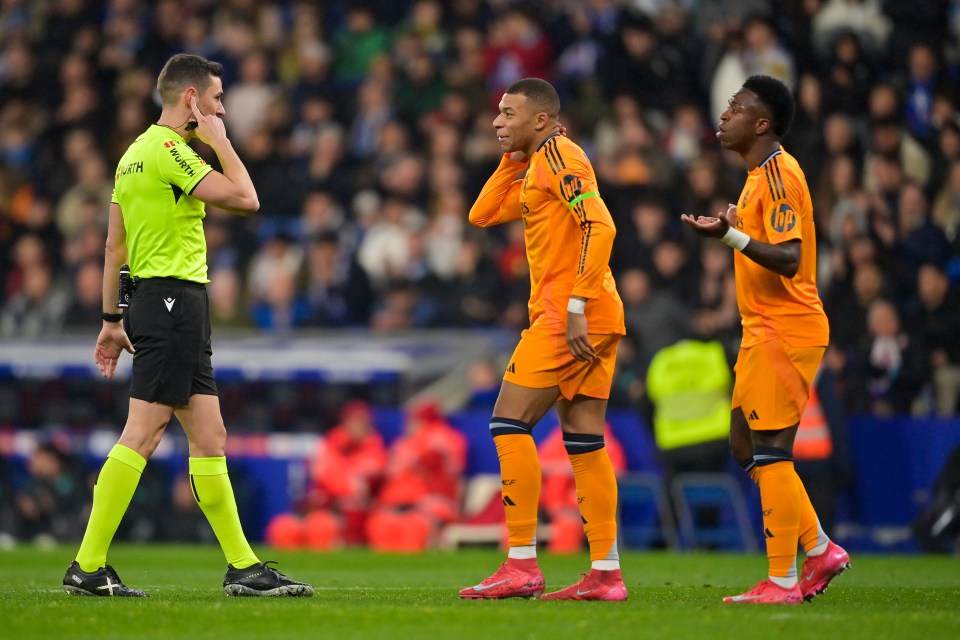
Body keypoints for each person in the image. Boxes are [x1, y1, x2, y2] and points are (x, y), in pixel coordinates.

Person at [62, 54, 313, 598]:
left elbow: (113, 246)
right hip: (173, 299)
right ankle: (87, 564)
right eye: (217, 99)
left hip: (161, 302)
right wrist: (221, 140)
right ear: (192, 100)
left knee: (210, 436)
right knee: (144, 433)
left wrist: (110, 320)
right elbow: (247, 199)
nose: (222, 108)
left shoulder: (132, 155)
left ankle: (243, 568)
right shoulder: (173, 150)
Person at [681, 75, 850, 605]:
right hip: (762, 329)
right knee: (742, 443)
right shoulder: (757, 178)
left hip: (787, 327)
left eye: (736, 106)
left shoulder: (778, 174)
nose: (724, 113)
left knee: (772, 450)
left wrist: (729, 235)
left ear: (762, 123)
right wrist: (736, 224)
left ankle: (781, 581)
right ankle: (819, 547)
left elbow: (790, 258)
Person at [459, 78, 627, 601]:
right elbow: (482, 214)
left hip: (567, 315)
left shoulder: (561, 156)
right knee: (584, 441)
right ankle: (606, 572)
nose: (496, 121)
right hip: (593, 314)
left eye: (509, 114)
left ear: (540, 119)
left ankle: (522, 563)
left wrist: (576, 304)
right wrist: (513, 157)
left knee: (508, 422)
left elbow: (602, 228)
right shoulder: (539, 161)